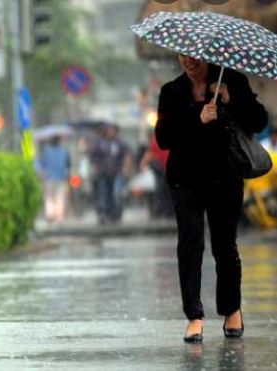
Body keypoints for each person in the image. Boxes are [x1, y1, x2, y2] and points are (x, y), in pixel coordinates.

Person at [156, 55, 267, 343]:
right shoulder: (172, 91)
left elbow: (259, 121)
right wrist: (197, 117)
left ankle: (232, 310)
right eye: (182, 56)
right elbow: (163, 137)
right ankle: (194, 316)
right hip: (185, 180)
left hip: (225, 177)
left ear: (207, 56)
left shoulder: (231, 81)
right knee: (190, 245)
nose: (188, 62)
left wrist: (232, 100)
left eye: (194, 58)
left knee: (225, 246)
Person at [89, 124, 132, 224]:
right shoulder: (99, 143)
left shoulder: (120, 143)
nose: (110, 133)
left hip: (117, 173)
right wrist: (95, 167)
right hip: (102, 174)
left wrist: (126, 168)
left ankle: (117, 215)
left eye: (112, 131)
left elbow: (128, 154)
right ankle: (104, 215)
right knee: (103, 194)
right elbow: (92, 156)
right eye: (108, 131)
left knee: (117, 194)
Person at [38, 136, 70, 222]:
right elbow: (68, 165)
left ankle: (50, 214)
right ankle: (59, 216)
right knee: (60, 197)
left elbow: (40, 164)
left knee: (49, 198)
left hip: (48, 178)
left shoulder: (46, 152)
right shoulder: (64, 152)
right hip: (61, 178)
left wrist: (41, 173)